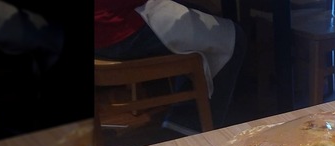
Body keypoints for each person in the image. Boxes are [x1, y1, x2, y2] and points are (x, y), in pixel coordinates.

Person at [94, 0, 246, 132]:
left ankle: (184, 120)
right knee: (234, 38)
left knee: (201, 15)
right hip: (113, 28)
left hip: (104, 22)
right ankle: (189, 128)